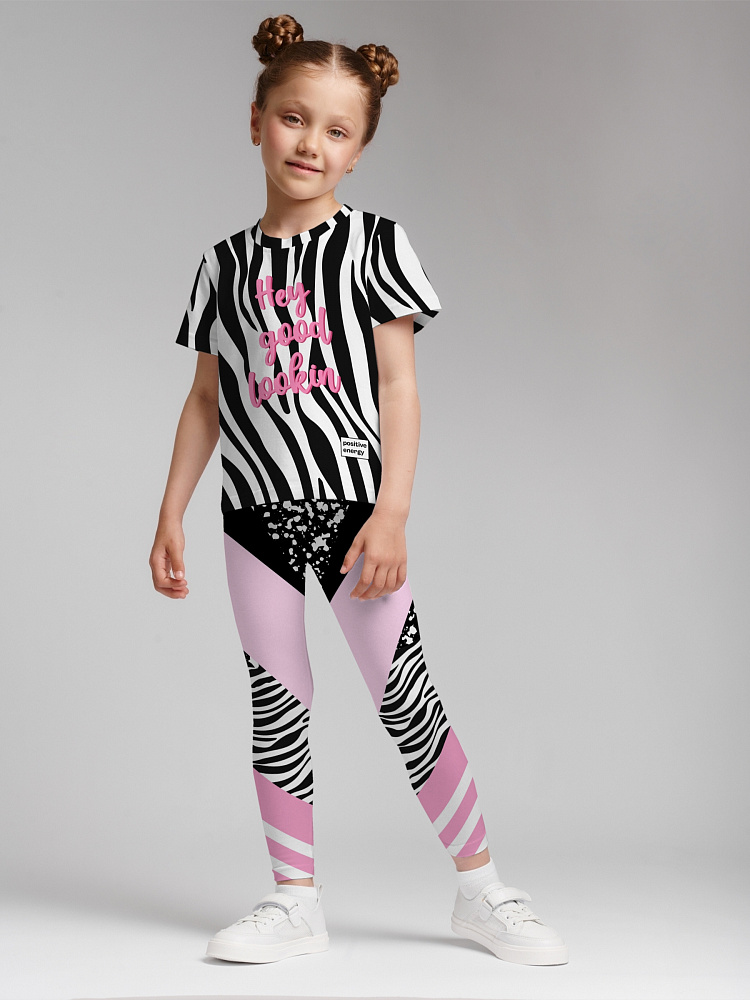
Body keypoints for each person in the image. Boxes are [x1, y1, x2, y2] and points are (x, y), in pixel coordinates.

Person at [149, 12, 568, 969]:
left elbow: (399, 387)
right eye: (294, 119)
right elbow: (206, 398)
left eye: (337, 130)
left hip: (353, 514)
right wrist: (170, 510)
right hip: (252, 516)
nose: (311, 143)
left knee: (403, 693)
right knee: (276, 698)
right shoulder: (222, 265)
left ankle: (482, 889)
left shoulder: (375, 244)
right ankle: (293, 899)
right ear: (255, 121)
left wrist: (392, 513)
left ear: (360, 150)